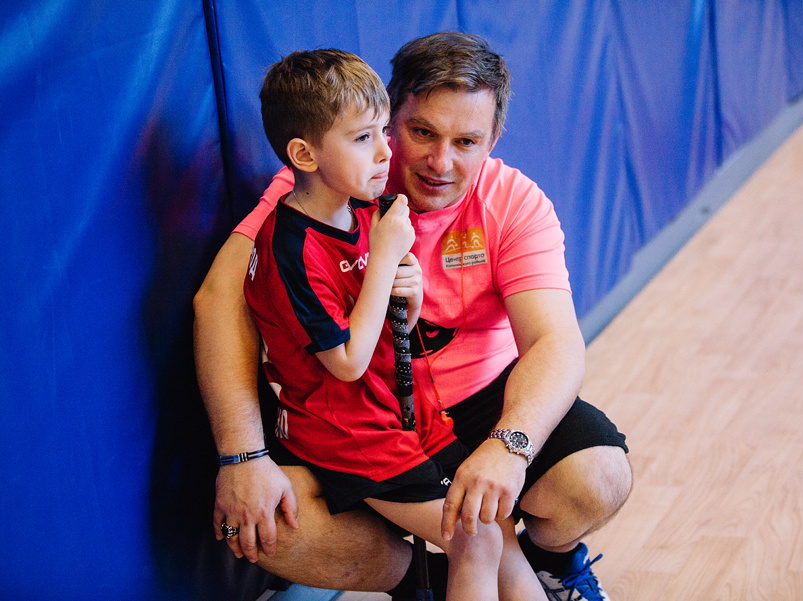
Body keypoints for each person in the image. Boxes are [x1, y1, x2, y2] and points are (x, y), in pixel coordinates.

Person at [194, 32, 632, 601]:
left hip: (464, 406)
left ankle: (556, 559)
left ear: (493, 139)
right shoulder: (324, 185)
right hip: (353, 417)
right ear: (390, 116)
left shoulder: (514, 203)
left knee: (591, 479)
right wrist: (243, 455)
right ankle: (420, 580)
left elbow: (555, 342)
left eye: (466, 141)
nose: (439, 162)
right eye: (421, 132)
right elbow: (218, 302)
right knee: (260, 524)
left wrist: (509, 446)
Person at [240, 47, 546, 601]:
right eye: (364, 139)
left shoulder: (358, 207)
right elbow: (348, 361)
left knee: (488, 526)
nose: (388, 153)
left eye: (384, 131)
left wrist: (409, 293)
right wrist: (384, 259)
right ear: (304, 154)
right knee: (474, 538)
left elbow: (384, 322)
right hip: (348, 431)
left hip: (398, 409)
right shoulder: (289, 245)